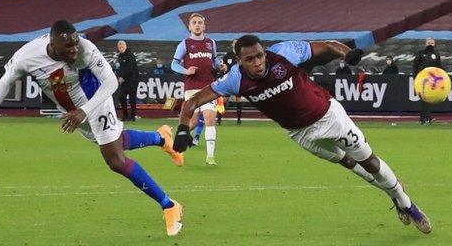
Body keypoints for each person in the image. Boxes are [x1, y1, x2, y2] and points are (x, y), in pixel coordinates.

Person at [173, 35, 432, 234]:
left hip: (329, 116)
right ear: (239, 61)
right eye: (250, 59)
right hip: (300, 133)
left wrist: (347, 53)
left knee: (370, 161)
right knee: (348, 163)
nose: (258, 62)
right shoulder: (234, 80)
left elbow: (328, 46)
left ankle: (405, 201)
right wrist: (184, 127)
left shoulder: (284, 53)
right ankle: (396, 193)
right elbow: (194, 100)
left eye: (260, 56)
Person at [0, 20, 184, 236]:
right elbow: (7, 79)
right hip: (72, 110)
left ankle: (169, 205)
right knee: (115, 142)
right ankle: (161, 138)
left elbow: (110, 82)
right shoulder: (28, 56)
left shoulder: (86, 48)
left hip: (95, 99)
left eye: (75, 44)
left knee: (115, 161)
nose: (74, 49)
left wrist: (85, 110)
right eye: (68, 47)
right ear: (52, 44)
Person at [171, 13, 227, 165]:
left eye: (200, 22)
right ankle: (173, 144)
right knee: (194, 121)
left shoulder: (211, 43)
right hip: (191, 88)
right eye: (194, 22)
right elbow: (174, 64)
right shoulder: (185, 43)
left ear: (204, 26)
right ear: (189, 26)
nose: (197, 25)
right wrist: (186, 71)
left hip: (209, 87)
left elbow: (214, 61)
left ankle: (210, 157)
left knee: (210, 118)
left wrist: (220, 65)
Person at [413, 37, 442, 125]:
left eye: (432, 43)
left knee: (428, 100)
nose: (430, 45)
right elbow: (415, 65)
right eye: (429, 43)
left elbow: (439, 67)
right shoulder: (421, 53)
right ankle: (425, 118)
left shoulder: (436, 54)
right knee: (423, 100)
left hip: (432, 81)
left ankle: (426, 118)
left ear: (434, 44)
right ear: (425, 44)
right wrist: (415, 77)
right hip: (422, 81)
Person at [116, 40, 139, 121]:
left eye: (122, 47)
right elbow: (118, 68)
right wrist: (119, 76)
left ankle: (132, 116)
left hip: (132, 79)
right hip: (123, 80)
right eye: (119, 47)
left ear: (125, 47)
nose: (121, 48)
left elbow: (129, 68)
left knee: (132, 98)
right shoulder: (119, 56)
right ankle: (125, 115)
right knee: (121, 97)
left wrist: (122, 77)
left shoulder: (130, 55)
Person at [222, 39, 243, 125]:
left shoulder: (241, 55)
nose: (235, 44)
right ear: (232, 44)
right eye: (234, 43)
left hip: (238, 81)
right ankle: (219, 119)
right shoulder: (228, 55)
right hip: (229, 81)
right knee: (224, 100)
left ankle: (238, 120)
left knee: (238, 99)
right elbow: (223, 66)